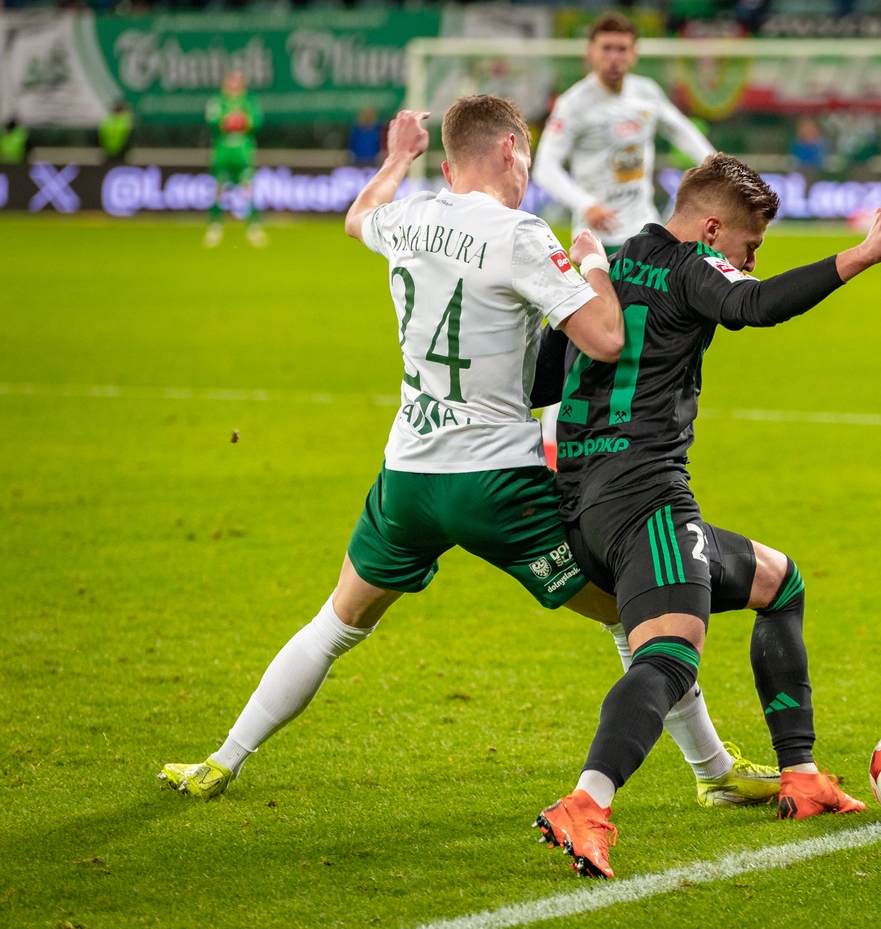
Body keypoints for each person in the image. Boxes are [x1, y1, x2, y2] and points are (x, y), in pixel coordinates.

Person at [157, 97, 779, 810]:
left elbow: (358, 216)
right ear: (511, 149)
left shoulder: (407, 217)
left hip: (408, 474)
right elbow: (607, 339)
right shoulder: (520, 234)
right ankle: (713, 772)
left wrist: (397, 157)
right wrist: (592, 264)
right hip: (496, 483)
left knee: (335, 624)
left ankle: (221, 760)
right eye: (528, 158)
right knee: (632, 614)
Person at [531, 154, 881, 879]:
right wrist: (859, 256)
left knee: (778, 581)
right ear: (710, 229)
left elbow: (543, 378)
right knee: (670, 657)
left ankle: (801, 774)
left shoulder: (605, 267)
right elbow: (755, 304)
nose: (751, 258)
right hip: (645, 499)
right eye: (749, 243)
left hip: (580, 503)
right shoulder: (688, 265)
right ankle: (586, 802)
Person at [533, 11, 715, 252]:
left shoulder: (646, 92)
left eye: (621, 49)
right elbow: (545, 168)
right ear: (590, 52)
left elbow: (681, 130)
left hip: (645, 229)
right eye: (606, 48)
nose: (614, 58)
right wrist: (585, 205)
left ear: (633, 54)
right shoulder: (573, 104)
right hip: (598, 237)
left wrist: (715, 166)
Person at [204, 70, 265, 248]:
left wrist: (238, 121)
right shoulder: (218, 101)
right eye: (232, 81)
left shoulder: (249, 101)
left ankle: (253, 226)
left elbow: (256, 121)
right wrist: (232, 121)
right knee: (218, 188)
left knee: (248, 188)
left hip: (243, 152)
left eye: (238, 82)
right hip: (223, 153)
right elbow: (215, 121)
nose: (234, 85)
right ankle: (215, 224)